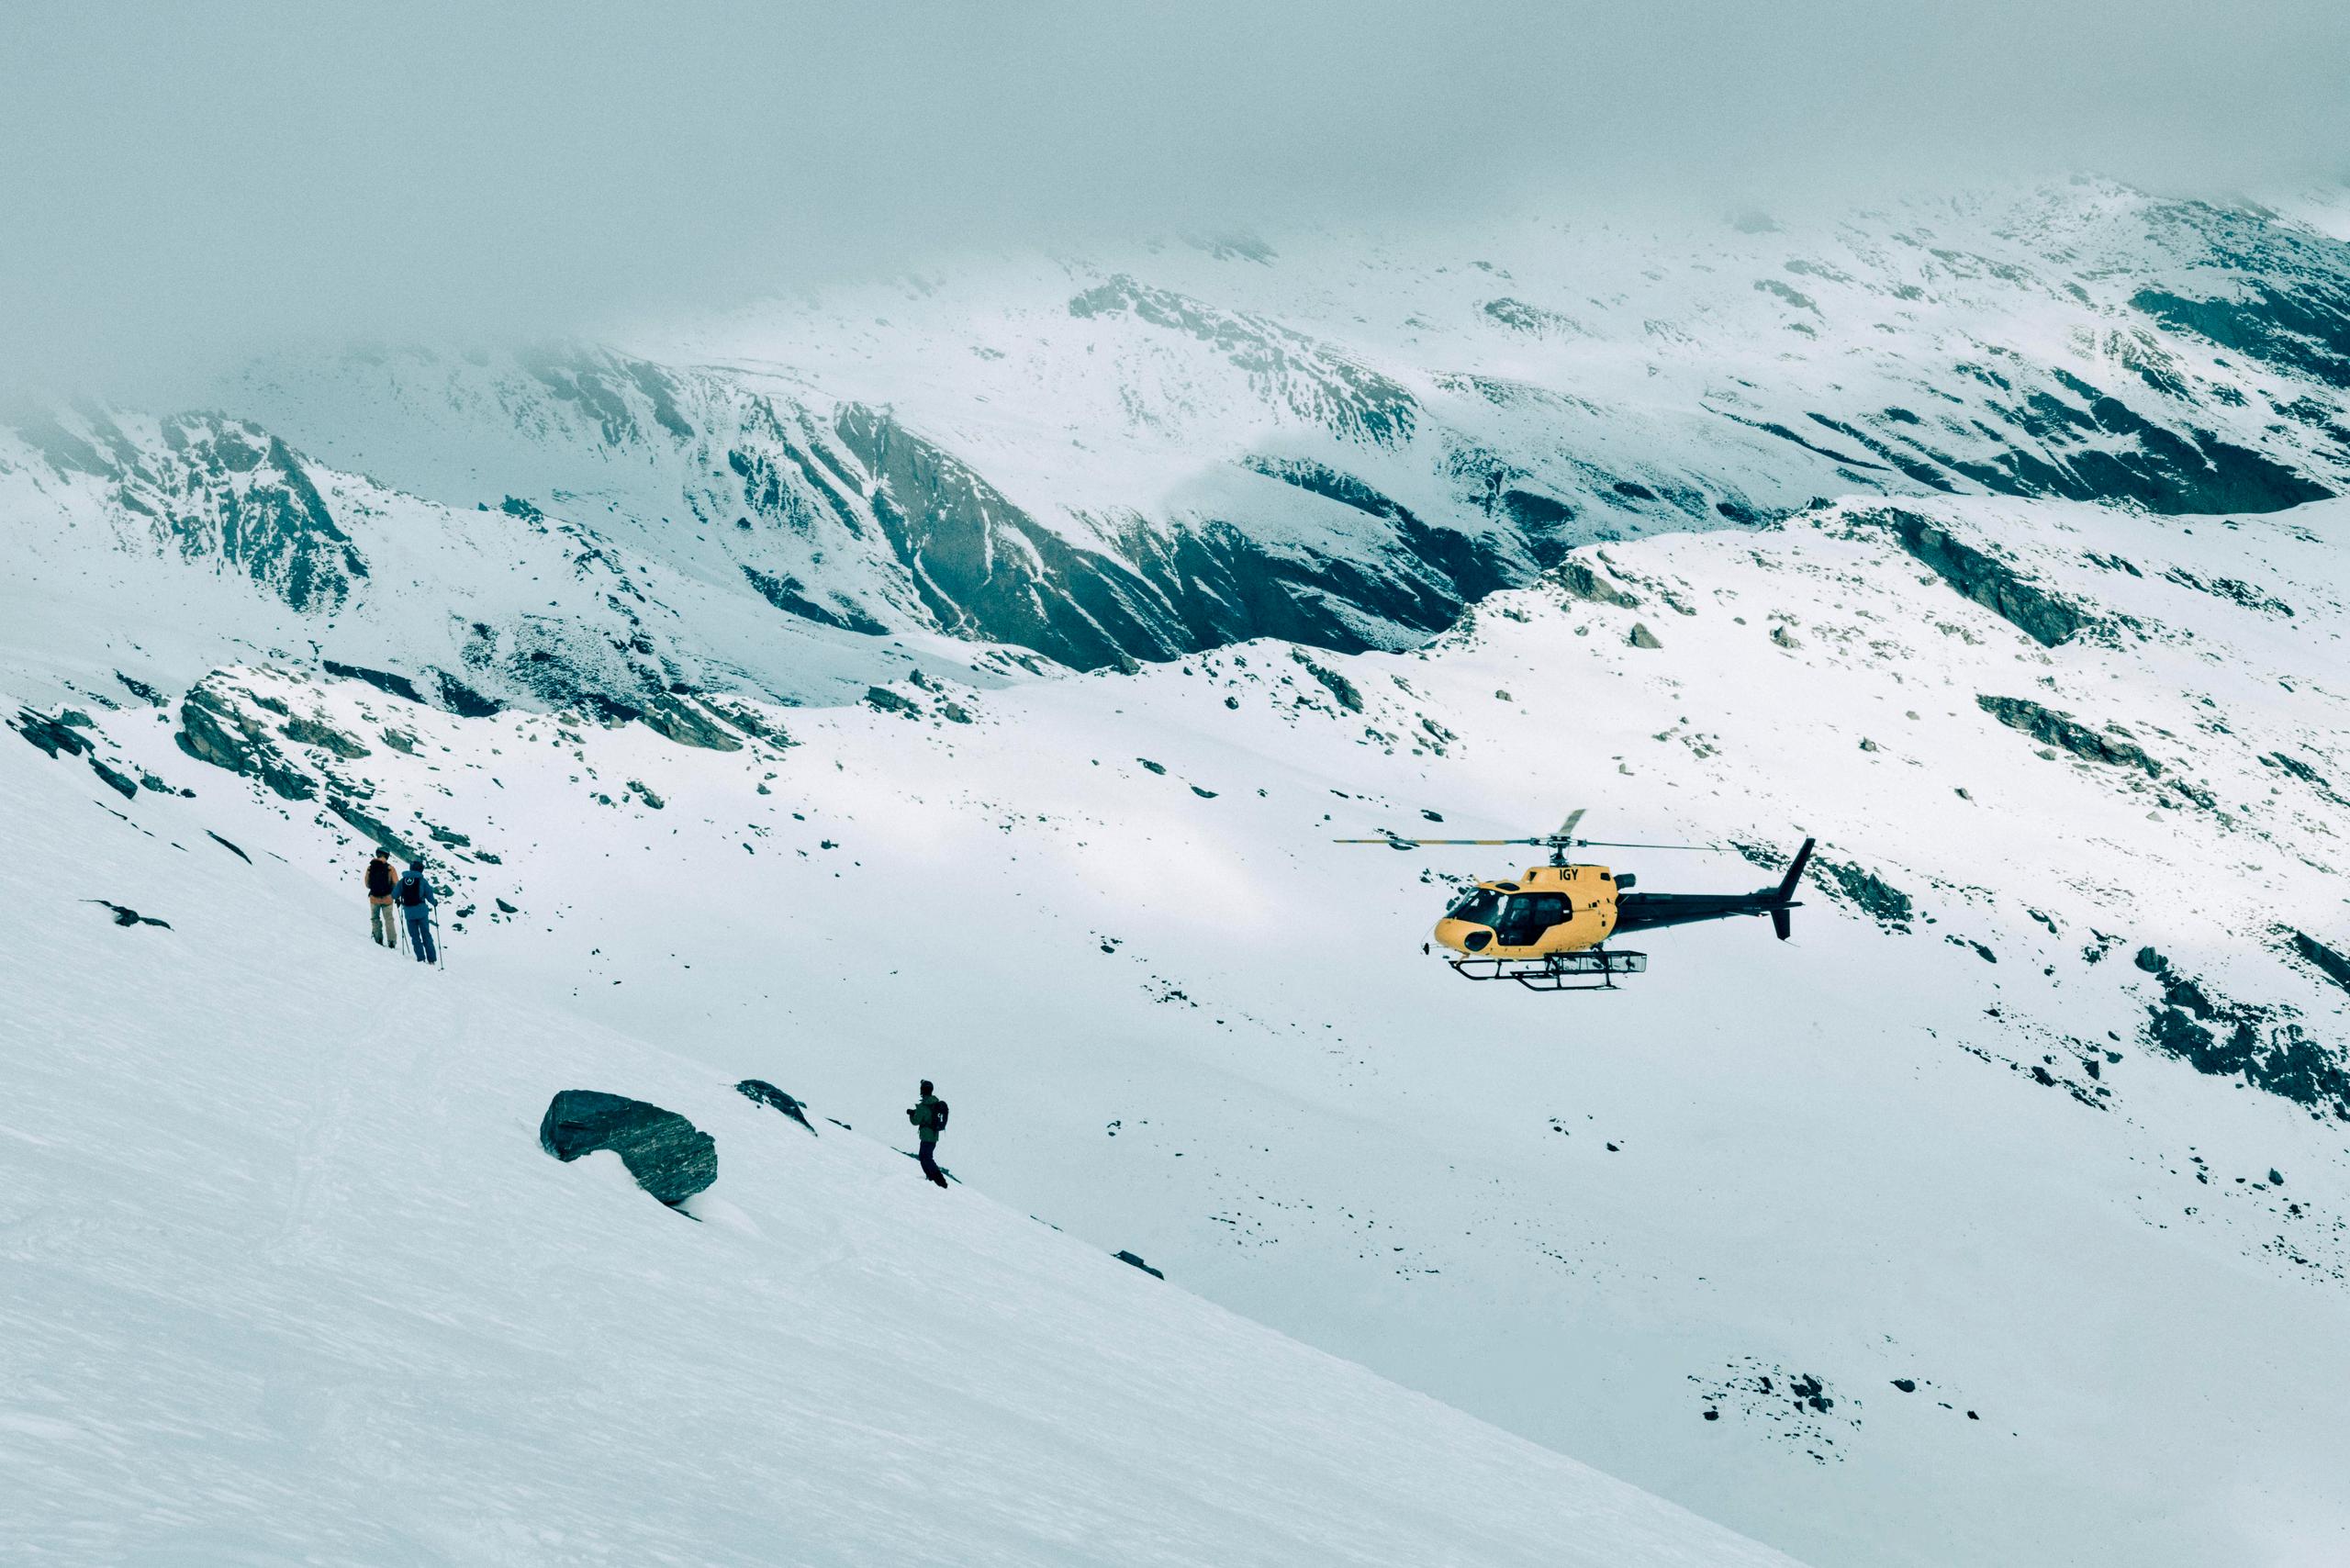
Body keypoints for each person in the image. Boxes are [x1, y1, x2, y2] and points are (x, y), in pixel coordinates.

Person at [396, 857, 439, 965]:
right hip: (422, 913)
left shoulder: (403, 881)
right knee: (426, 935)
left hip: (409, 913)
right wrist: (435, 902)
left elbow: (394, 894)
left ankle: (421, 958)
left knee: (415, 937)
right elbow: (430, 896)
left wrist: (399, 899)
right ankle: (431, 959)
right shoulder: (423, 881)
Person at [906, 1081, 949, 1187]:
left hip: (926, 1136)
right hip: (934, 1136)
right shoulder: (935, 1103)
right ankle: (934, 1179)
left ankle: (939, 1181)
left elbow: (915, 1121)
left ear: (922, 1091)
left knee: (926, 1157)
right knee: (926, 1157)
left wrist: (911, 1114)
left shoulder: (923, 1106)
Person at [364, 847, 399, 950]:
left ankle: (378, 939)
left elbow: (367, 884)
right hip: (387, 898)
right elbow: (396, 884)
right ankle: (392, 942)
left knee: (375, 918)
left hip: (374, 898)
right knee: (389, 920)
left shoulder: (370, 867)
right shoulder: (390, 868)